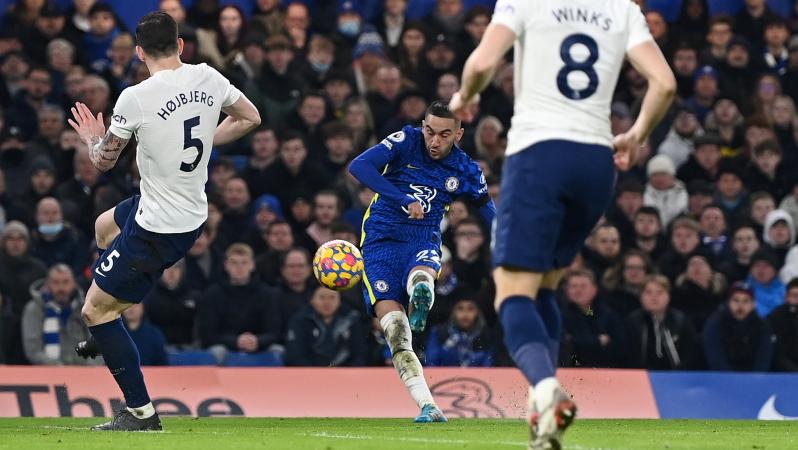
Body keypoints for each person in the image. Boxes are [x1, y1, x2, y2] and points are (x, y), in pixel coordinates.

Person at [449, 0, 675, 445]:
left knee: (512, 291)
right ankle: (544, 414)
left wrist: (465, 96)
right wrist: (638, 134)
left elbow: (482, 63)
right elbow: (665, 83)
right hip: (596, 163)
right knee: (546, 286)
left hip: (540, 153)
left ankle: (546, 388)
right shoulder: (622, 10)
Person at [67, 12, 260, 431]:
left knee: (93, 311)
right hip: (186, 212)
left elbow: (103, 162)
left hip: (157, 227)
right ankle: (110, 323)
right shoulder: (209, 77)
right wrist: (207, 138)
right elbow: (250, 118)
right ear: (181, 45)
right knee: (104, 226)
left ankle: (141, 413)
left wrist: (90, 138)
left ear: (139, 52)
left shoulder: (135, 97)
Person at [348, 101, 495, 423]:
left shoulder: (466, 169)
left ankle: (421, 292)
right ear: (422, 127)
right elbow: (359, 166)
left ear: (458, 134)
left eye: (444, 135)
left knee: (422, 272)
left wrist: (506, 244)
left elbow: (487, 211)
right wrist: (403, 198)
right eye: (429, 131)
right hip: (379, 244)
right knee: (396, 332)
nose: (434, 141)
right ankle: (429, 406)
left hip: (422, 238)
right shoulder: (405, 141)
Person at [21, 264, 98, 366]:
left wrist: (87, 370)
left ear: (74, 283)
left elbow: (99, 344)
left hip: (85, 371)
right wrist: (58, 369)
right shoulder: (34, 309)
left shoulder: (87, 308)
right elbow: (33, 350)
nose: (61, 288)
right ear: (47, 284)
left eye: (66, 282)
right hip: (47, 372)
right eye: (55, 282)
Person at [284, 286, 368, 367]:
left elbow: (360, 352)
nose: (327, 302)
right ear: (312, 300)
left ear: (339, 301)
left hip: (345, 372)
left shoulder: (351, 319)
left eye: (332, 297)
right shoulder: (300, 320)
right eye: (322, 297)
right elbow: (295, 354)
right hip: (309, 372)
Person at [703, 281, 773, 371]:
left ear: (753, 304)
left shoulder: (762, 325)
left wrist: (755, 377)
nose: (740, 306)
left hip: (754, 377)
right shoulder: (715, 323)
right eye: (736, 300)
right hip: (722, 376)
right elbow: (716, 359)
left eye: (745, 301)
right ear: (728, 303)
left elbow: (763, 359)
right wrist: (731, 378)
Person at [425, 296, 495, 367]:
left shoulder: (486, 335)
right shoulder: (439, 332)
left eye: (470, 309)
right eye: (460, 308)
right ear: (453, 311)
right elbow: (431, 363)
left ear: (478, 312)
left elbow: (489, 366)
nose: (465, 314)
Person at [767, 278, 798, 371]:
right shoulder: (776, 317)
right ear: (786, 297)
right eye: (794, 296)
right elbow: (777, 353)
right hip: (784, 372)